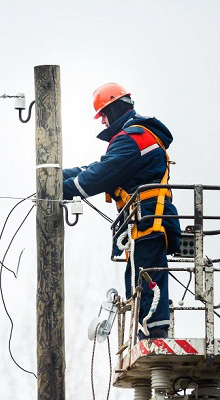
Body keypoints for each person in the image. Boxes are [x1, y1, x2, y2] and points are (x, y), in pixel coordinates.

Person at [63, 83, 181, 339]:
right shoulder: (136, 136)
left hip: (147, 218)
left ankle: (152, 333)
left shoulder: (132, 139)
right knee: (144, 275)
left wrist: (64, 189)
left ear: (113, 109)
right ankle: (152, 329)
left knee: (144, 277)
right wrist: (58, 176)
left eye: (103, 115)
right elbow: (100, 167)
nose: (103, 122)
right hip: (149, 218)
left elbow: (102, 174)